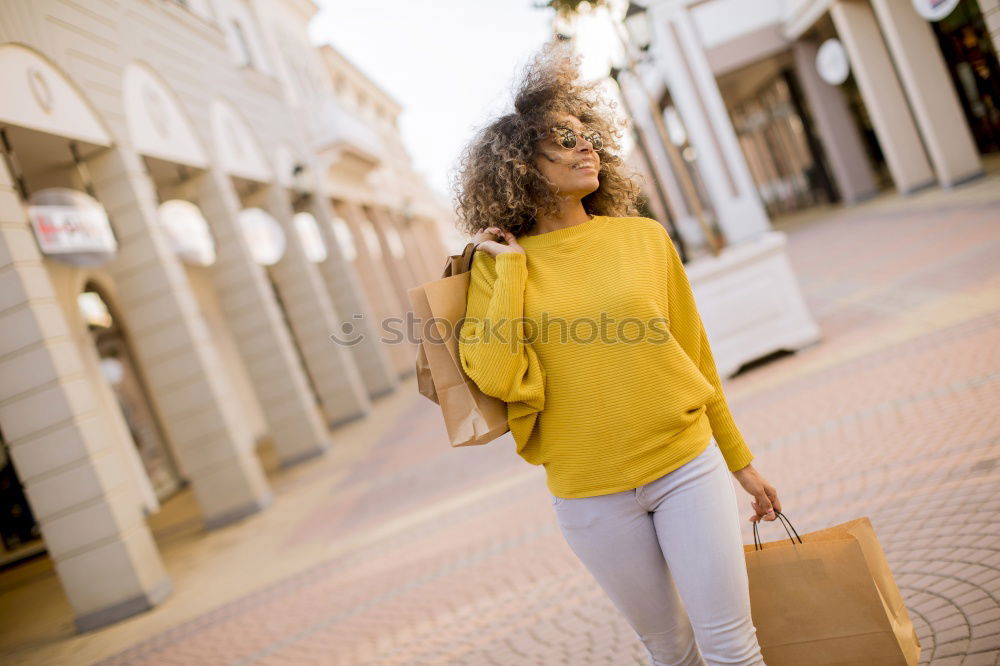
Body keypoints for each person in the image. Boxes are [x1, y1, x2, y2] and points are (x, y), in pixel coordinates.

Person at [452, 42, 780, 666]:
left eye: (589, 137)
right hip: (588, 495)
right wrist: (515, 272)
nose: (588, 148)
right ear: (521, 164)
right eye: (567, 141)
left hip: (686, 466)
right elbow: (494, 375)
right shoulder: (497, 269)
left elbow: (696, 357)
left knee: (732, 647)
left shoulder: (643, 237)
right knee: (669, 652)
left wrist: (742, 463)